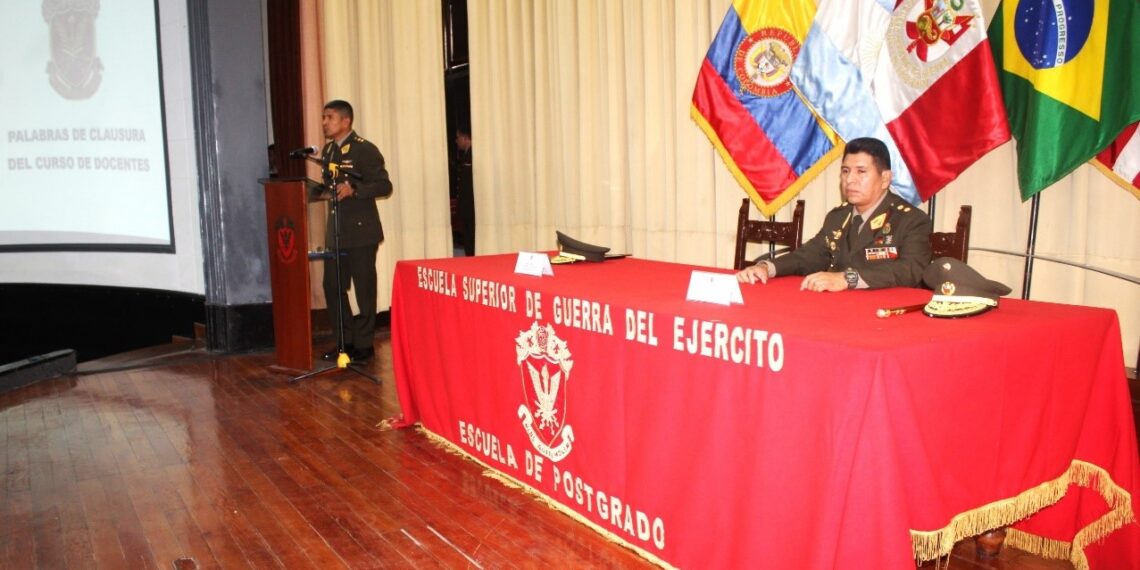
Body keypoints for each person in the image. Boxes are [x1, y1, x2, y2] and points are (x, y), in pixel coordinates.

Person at [736, 137, 931, 291]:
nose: (850, 180)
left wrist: (847, 279)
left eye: (861, 172)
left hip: (885, 313)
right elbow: (809, 255)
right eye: (845, 171)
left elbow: (909, 270)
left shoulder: (911, 220)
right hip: (840, 309)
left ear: (885, 178)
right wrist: (767, 268)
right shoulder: (838, 217)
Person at [319, 100, 393, 362]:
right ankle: (345, 342)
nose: (325, 122)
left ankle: (364, 344)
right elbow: (329, 185)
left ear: (346, 120)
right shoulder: (329, 151)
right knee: (332, 286)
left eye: (329, 117)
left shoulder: (364, 149)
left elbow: (384, 186)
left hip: (362, 232)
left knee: (364, 289)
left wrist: (355, 190)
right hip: (337, 232)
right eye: (324, 117)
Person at [454, 126, 475, 256]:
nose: (456, 141)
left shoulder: (473, 155)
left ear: (465, 137)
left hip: (471, 207)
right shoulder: (466, 156)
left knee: (471, 241)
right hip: (466, 208)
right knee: (468, 241)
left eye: (458, 137)